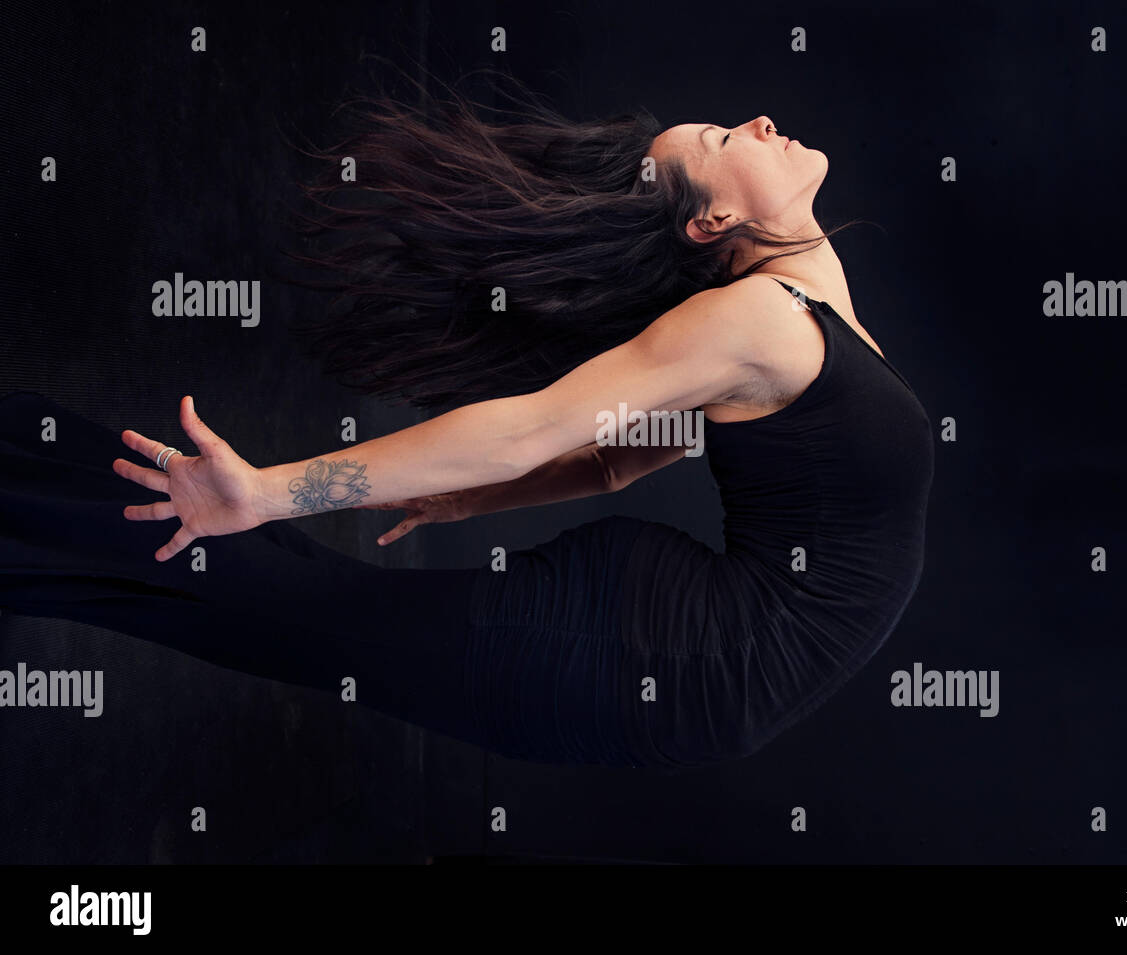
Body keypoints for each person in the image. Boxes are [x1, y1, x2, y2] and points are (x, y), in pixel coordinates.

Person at [0, 77, 934, 771]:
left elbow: (621, 458)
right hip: (662, 652)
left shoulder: (800, 324)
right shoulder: (761, 318)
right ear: (716, 219)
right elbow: (538, 428)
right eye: (729, 133)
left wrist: (468, 498)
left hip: (677, 666)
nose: (761, 121)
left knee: (291, 614)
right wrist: (272, 492)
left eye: (731, 126)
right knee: (284, 607)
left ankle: (29, 483)